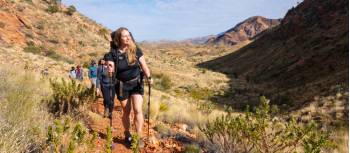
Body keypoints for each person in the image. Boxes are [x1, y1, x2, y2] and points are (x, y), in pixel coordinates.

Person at [104, 27, 152, 148]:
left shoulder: (136, 50)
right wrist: (109, 70)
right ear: (118, 39)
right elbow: (111, 70)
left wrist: (149, 77)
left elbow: (144, 66)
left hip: (136, 83)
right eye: (124, 36)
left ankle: (138, 136)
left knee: (138, 109)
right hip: (121, 85)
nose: (128, 38)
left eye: (129, 35)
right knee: (126, 111)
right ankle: (127, 132)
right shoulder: (112, 54)